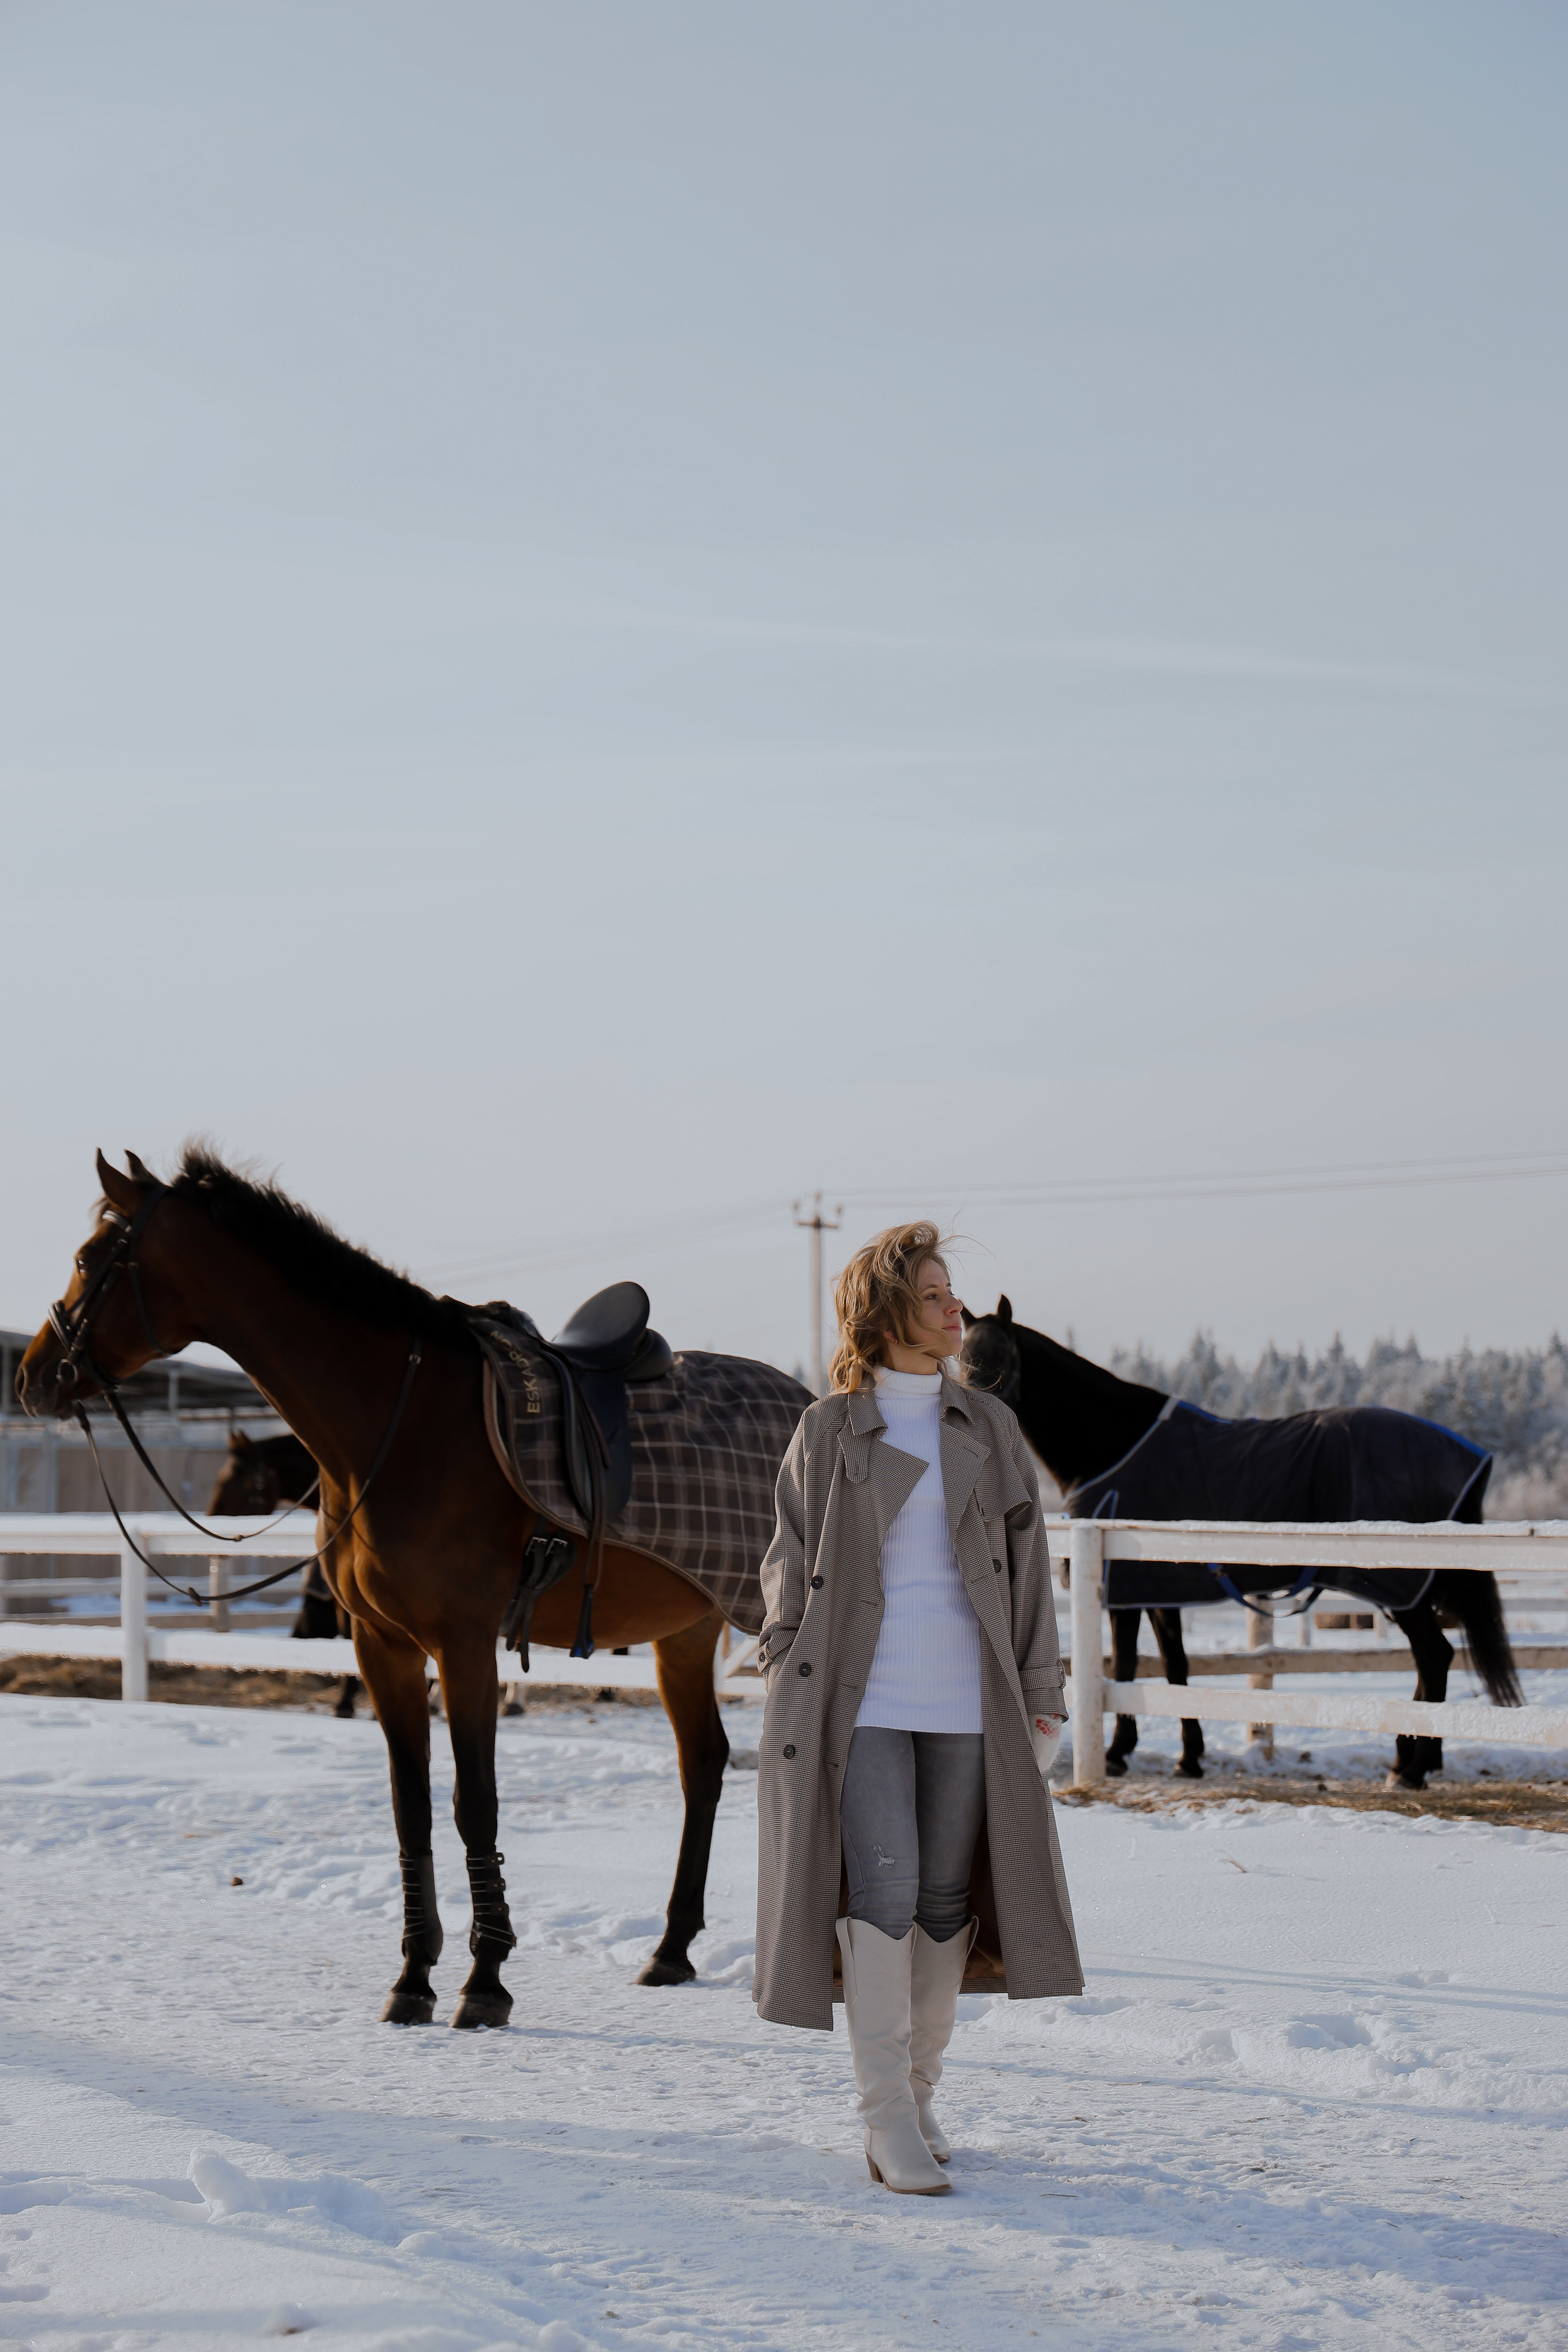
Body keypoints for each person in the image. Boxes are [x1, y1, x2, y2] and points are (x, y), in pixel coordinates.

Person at [753, 1223, 1083, 2196]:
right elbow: (789, 1556)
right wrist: (784, 1659)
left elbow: (1029, 1568)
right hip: (862, 1699)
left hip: (971, 1699)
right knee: (884, 1895)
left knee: (944, 1902)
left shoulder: (987, 1426)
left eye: (952, 1292)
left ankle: (922, 2090)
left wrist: (1041, 1692)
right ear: (888, 1312)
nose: (955, 1309)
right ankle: (884, 2117)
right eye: (934, 1295)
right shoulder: (830, 1429)